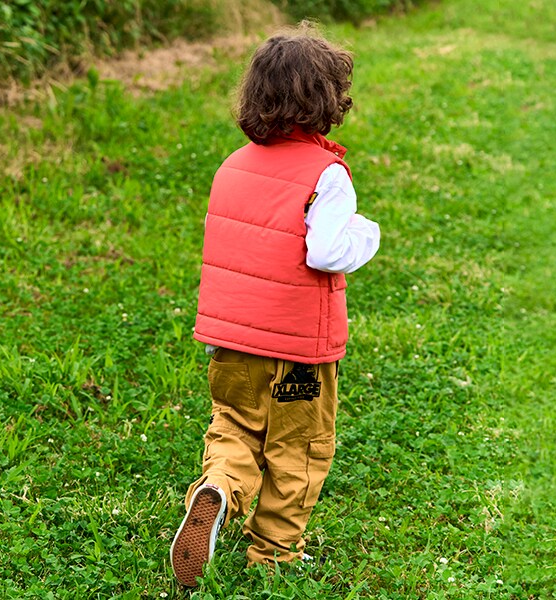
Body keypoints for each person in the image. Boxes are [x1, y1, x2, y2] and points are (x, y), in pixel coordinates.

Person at [170, 22, 381, 587]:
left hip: (232, 344)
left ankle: (218, 490)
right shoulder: (326, 174)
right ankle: (276, 552)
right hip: (298, 356)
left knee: (235, 427)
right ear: (329, 100)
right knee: (298, 448)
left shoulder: (232, 167)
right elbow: (326, 249)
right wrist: (367, 235)